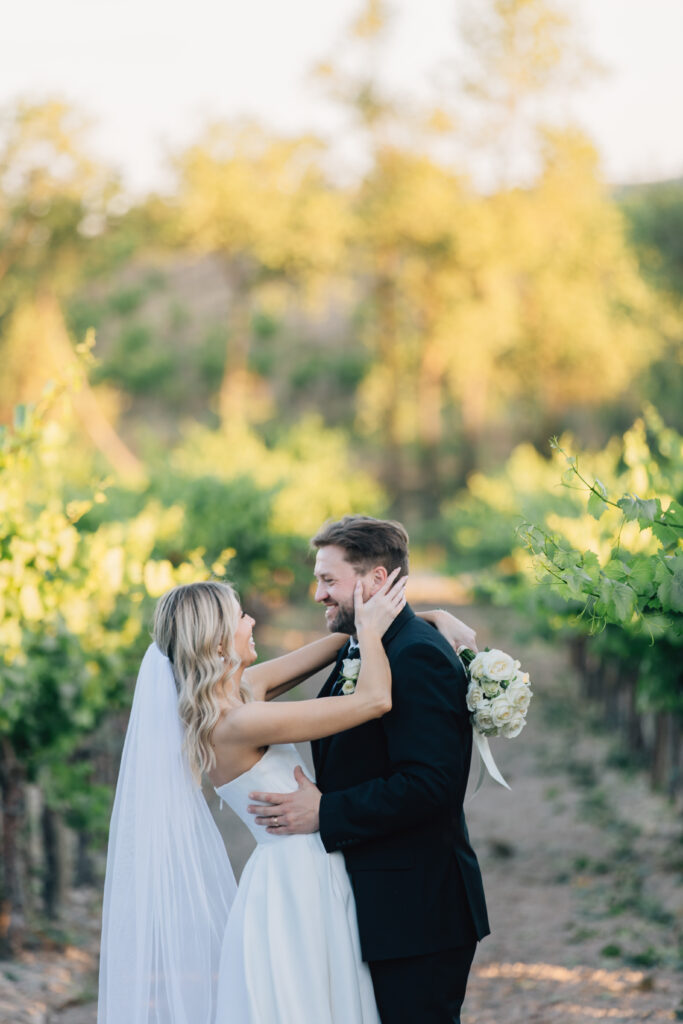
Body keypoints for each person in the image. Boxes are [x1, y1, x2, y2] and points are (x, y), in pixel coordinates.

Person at [98, 574, 471, 1023]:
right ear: (217, 643)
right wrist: (371, 632)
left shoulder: (239, 694)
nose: (252, 619)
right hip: (295, 881)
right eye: (240, 615)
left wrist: (426, 617)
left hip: (305, 866)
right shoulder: (236, 724)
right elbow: (373, 700)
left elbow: (336, 644)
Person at [247, 516, 490, 1024]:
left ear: (376, 581)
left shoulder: (417, 658)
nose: (318, 594)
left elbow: (433, 786)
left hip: (417, 912)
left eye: (329, 580)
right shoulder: (368, 643)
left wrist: (325, 810)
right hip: (378, 904)